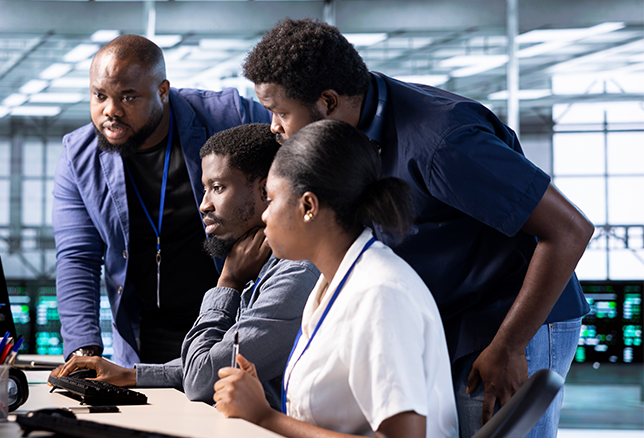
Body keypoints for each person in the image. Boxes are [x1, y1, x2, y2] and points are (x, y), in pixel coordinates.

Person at [240, 18, 594, 438]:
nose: (274, 127)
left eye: (281, 112)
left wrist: (509, 345)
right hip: (458, 310)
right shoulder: (358, 122)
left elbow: (569, 230)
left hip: (515, 315)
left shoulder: (442, 143)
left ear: (329, 101)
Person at [214, 120, 458, 438]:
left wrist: (265, 416)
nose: (264, 215)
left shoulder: (381, 293)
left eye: (271, 200)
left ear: (308, 206)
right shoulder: (331, 282)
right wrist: (255, 396)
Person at [51, 124, 319, 408]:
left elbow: (202, 379)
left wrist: (227, 283)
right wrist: (131, 375)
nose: (204, 205)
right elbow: (211, 361)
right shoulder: (260, 267)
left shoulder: (295, 274)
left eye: (218, 188)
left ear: (265, 190)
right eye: (205, 189)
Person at [53, 35, 271, 368]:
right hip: (144, 338)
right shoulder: (78, 156)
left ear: (163, 91)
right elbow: (77, 257)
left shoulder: (230, 116)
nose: (110, 111)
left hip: (233, 320)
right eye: (99, 96)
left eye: (128, 97)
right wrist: (83, 349)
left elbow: (300, 166)